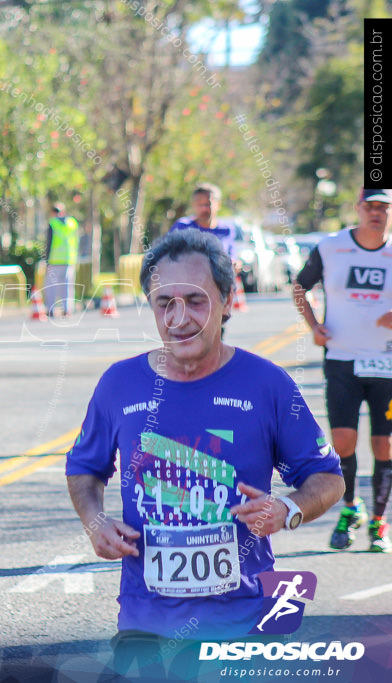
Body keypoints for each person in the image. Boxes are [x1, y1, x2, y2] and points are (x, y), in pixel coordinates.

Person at [66, 229, 344, 679]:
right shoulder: (119, 384)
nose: (179, 317)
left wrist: (288, 508)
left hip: (247, 621)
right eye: (165, 303)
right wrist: (95, 521)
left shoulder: (267, 385)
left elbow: (328, 477)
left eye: (195, 301)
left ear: (227, 300)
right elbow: (84, 468)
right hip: (145, 622)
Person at [293, 187, 392, 553]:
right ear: (358, 208)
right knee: (344, 442)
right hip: (342, 361)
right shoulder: (331, 247)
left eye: (384, 207)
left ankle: (380, 524)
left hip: (387, 364)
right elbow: (300, 286)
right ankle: (351, 508)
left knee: (385, 444)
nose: (376, 213)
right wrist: (313, 326)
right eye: (370, 206)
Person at [168, 183, 238, 260]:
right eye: (199, 204)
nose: (203, 209)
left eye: (207, 204)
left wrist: (234, 264)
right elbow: (167, 255)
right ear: (193, 204)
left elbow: (232, 256)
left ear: (218, 204)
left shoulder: (226, 229)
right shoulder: (182, 227)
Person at [42, 202, 80, 318]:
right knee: (67, 286)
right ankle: (67, 309)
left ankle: (50, 309)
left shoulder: (53, 224)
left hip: (54, 260)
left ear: (53, 212)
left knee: (51, 286)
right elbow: (77, 241)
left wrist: (46, 259)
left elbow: (49, 242)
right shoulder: (72, 223)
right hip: (69, 259)